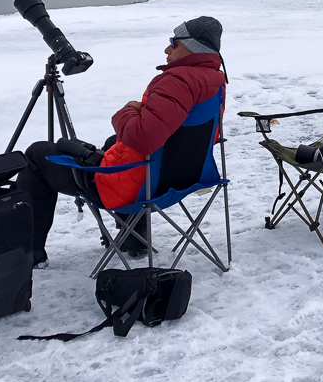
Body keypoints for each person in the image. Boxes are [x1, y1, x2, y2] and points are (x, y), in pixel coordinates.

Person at [17, 16, 226, 267]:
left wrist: (126, 111)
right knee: (113, 141)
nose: (167, 49)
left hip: (140, 189)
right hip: (185, 179)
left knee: (38, 154)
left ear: (193, 48)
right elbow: (206, 136)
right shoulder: (215, 80)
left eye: (175, 43)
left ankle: (28, 255)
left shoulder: (177, 81)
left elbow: (143, 138)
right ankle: (134, 241)